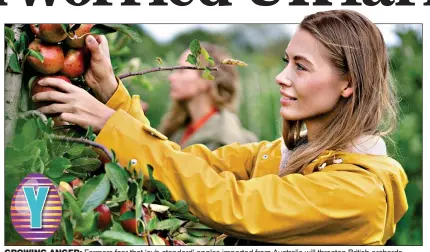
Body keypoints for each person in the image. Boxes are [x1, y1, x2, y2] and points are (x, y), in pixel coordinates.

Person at [33, 10, 408, 245]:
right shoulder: (279, 154)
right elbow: (184, 165)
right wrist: (113, 96)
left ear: (348, 84)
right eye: (285, 61)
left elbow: (230, 203)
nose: (281, 76)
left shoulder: (357, 192)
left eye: (301, 66)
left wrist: (108, 122)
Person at [158, 43, 258, 150]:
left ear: (207, 79)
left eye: (182, 70)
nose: (171, 77)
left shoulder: (224, 140)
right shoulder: (178, 130)